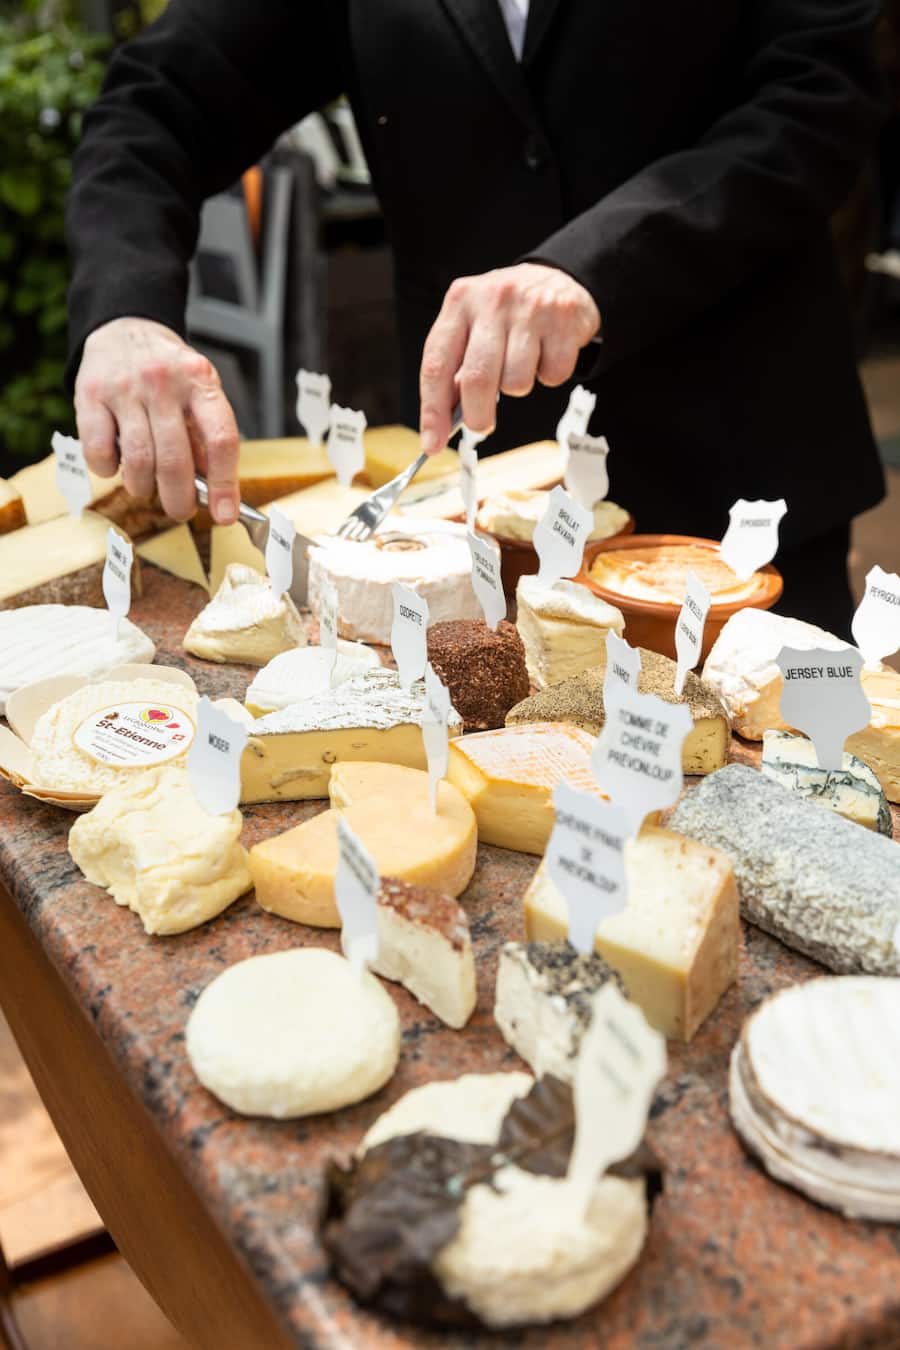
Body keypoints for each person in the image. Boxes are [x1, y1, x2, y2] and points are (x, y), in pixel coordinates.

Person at [66, 0, 887, 635]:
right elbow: (156, 107)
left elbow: (820, 95)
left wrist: (596, 265)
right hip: (469, 519)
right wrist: (124, 310)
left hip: (742, 488)